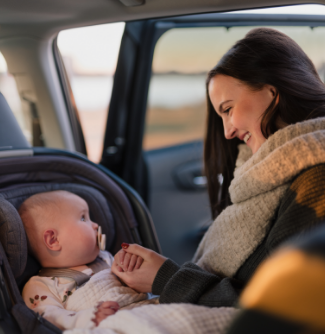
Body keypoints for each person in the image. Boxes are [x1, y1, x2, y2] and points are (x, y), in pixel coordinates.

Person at [111, 27, 325, 307]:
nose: (227, 132)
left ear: (272, 93)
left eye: (228, 109)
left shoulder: (315, 184)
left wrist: (166, 278)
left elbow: (278, 305)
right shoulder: (273, 178)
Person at [20, 190, 155, 331]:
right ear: (53, 240)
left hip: (142, 311)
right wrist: (89, 317)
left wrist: (132, 266)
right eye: (84, 218)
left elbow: (137, 283)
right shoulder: (41, 285)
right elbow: (49, 316)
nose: (96, 225)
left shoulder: (106, 257)